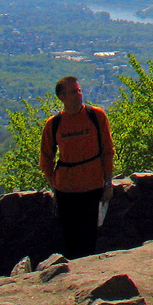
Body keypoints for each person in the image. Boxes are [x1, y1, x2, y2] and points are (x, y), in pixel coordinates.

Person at [39, 76, 115, 258]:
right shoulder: (54, 124)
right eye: (74, 91)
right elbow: (45, 159)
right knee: (71, 240)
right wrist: (54, 185)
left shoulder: (96, 116)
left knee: (90, 238)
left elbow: (108, 151)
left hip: (93, 187)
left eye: (79, 90)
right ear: (62, 97)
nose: (79, 94)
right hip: (67, 190)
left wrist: (108, 183)